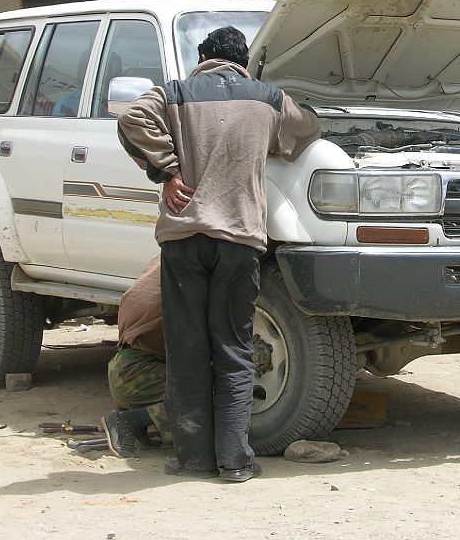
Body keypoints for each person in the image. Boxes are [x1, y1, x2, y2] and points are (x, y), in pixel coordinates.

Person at [116, 26, 320, 482]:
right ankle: (234, 461)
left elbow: (131, 119)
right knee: (233, 347)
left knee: (188, 348)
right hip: (239, 240)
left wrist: (166, 170)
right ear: (242, 61)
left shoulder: (173, 93)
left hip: (184, 240)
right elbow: (308, 128)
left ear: (203, 56)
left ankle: (191, 459)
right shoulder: (267, 98)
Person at [102, 257, 169, 458]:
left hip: (125, 366)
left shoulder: (165, 258)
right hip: (136, 373)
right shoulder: (186, 272)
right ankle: (128, 421)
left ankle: (136, 420)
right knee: (208, 395)